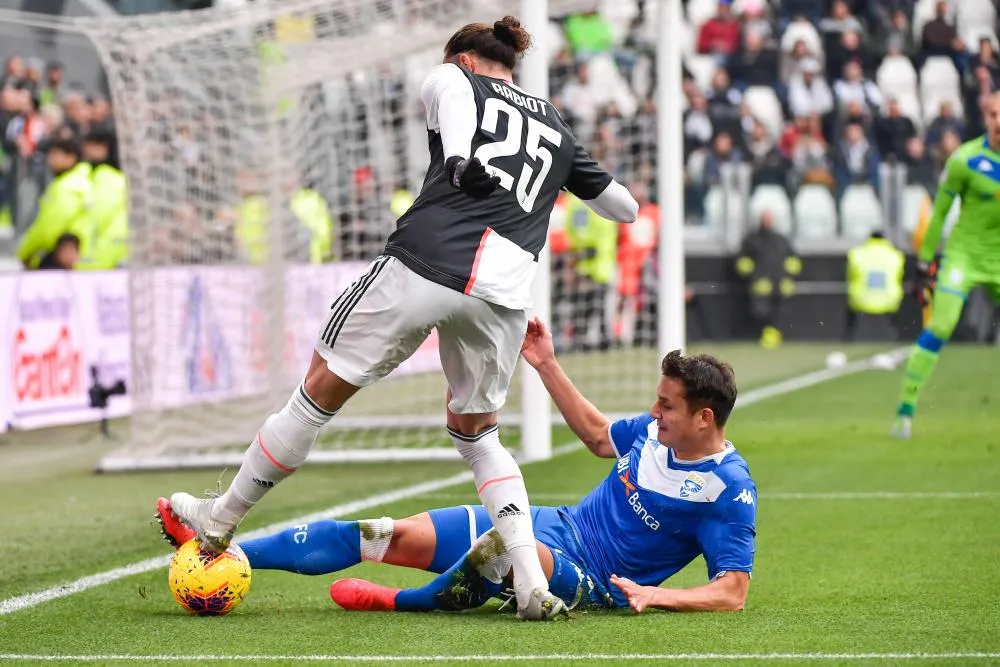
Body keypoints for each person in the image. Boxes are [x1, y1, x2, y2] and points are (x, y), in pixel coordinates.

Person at [160, 16, 638, 621]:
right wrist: (564, 176)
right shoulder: (553, 123)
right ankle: (529, 581)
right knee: (479, 435)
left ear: (463, 58)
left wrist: (460, 159)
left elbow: (452, 97)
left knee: (317, 393)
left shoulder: (454, 76)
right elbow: (624, 206)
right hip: (505, 290)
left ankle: (219, 519)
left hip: (427, 261)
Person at [158, 318, 755, 615]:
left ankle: (402, 601)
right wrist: (546, 364)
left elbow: (733, 591)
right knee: (383, 533)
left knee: (503, 544)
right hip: (553, 526)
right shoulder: (652, 435)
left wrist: (656, 596)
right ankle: (221, 549)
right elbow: (600, 436)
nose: (653, 413)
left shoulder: (726, 490)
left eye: (667, 405)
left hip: (590, 578)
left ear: (704, 418)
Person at [892, 92, 1000, 439]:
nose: (999, 121)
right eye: (993, 114)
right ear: (985, 117)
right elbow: (939, 212)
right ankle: (905, 411)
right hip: (963, 256)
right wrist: (925, 260)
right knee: (940, 325)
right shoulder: (965, 159)